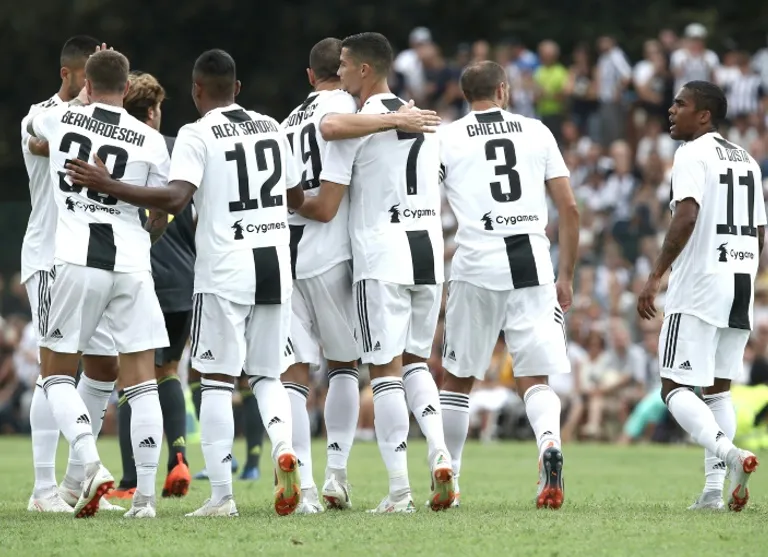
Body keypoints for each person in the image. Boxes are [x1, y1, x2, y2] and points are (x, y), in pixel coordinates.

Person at [67, 48, 305, 517]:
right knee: (266, 375)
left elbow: (176, 198)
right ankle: (283, 447)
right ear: (237, 88)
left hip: (225, 268)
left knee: (214, 380)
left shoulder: (197, 133)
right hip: (275, 262)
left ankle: (222, 497)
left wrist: (108, 184)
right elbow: (295, 195)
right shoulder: (271, 127)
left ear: (197, 91)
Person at [295, 32, 453, 513]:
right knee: (416, 363)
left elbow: (328, 140)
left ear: (364, 70)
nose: (338, 72)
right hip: (428, 251)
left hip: (381, 255)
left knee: (383, 372)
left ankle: (400, 491)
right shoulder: (424, 120)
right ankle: (441, 453)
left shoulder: (357, 126)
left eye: (344, 65)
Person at [28, 49, 171, 518]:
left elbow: (31, 128)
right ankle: (145, 500)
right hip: (133, 265)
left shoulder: (59, 119)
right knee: (142, 382)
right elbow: (160, 210)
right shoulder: (150, 139)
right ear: (127, 89)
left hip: (76, 261)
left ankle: (89, 462)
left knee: (54, 373)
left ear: (87, 85)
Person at [438, 61, 578, 509]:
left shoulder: (447, 137)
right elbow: (569, 208)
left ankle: (449, 475)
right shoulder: (537, 131)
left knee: (457, 379)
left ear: (466, 95)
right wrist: (566, 275)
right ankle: (549, 444)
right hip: (531, 263)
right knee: (534, 377)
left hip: (476, 263)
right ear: (503, 90)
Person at [637, 80, 763, 511]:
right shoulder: (747, 160)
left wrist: (656, 274)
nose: (671, 110)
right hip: (740, 283)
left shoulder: (692, 153)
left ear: (704, 115)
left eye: (681, 104)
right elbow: (760, 232)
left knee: (673, 388)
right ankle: (713, 492)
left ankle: (732, 455)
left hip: (700, 285)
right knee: (718, 391)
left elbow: (687, 215)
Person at [21, 36, 127, 515]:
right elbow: (45, 144)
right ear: (68, 75)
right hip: (50, 258)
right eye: (87, 77)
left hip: (93, 259)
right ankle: (43, 490)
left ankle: (73, 483)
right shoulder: (40, 113)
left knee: (104, 366)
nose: (92, 87)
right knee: (52, 369)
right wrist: (86, 108)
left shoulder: (99, 117)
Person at [280, 37, 360, 514]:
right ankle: (336, 475)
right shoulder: (348, 107)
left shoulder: (288, 120)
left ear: (310, 76)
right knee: (343, 365)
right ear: (346, 71)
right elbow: (331, 203)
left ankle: (304, 486)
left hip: (285, 252)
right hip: (330, 252)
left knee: (293, 372)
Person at [105, 71, 193, 501]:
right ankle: (179, 458)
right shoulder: (179, 150)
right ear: (155, 111)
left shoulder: (115, 149)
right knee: (169, 370)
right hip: (185, 278)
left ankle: (130, 481)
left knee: (132, 377)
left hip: (138, 275)